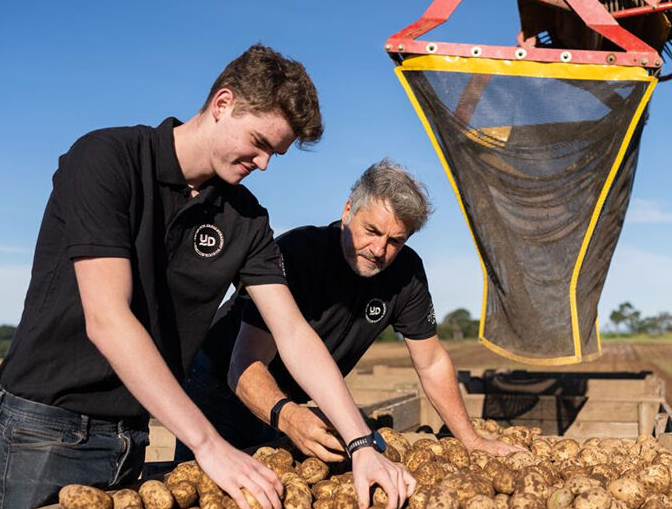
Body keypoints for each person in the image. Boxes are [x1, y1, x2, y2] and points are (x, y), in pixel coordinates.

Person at [0, 45, 413, 509]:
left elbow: (292, 333)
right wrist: (208, 444)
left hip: (135, 431)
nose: (265, 163)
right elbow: (107, 319)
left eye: (276, 153)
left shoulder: (245, 218)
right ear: (222, 103)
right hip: (47, 428)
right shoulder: (108, 161)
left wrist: (360, 444)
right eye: (259, 142)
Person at [177, 160, 522, 462]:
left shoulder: (407, 275)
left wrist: (471, 440)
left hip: (293, 400)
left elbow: (431, 362)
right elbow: (246, 366)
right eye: (371, 231)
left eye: (396, 241)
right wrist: (290, 417)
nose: (379, 249)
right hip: (222, 384)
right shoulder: (297, 255)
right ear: (347, 212)